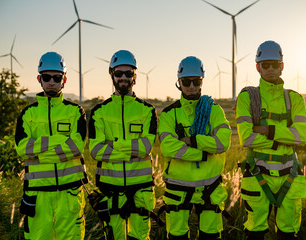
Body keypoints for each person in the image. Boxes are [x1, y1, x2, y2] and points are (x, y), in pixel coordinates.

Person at [235, 40, 306, 240]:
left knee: (288, 234)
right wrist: (283, 138)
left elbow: (302, 137)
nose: (270, 69)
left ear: (282, 66)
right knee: (255, 233)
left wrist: (268, 130)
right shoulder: (247, 98)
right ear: (258, 67)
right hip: (258, 176)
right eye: (265, 65)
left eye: (275, 64)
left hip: (290, 177)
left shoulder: (295, 99)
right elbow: (247, 138)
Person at [15, 52, 88, 239]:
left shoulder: (75, 112)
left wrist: (39, 153)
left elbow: (76, 147)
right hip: (38, 197)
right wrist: (60, 141)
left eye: (57, 77)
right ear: (39, 79)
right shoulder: (27, 114)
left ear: (64, 80)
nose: (52, 82)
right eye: (46, 77)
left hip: (70, 194)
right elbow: (22, 148)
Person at [158, 56, 232, 239]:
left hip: (209, 189)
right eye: (186, 81)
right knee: (177, 236)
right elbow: (168, 148)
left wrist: (193, 140)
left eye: (196, 81)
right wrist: (204, 153)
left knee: (211, 236)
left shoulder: (215, 110)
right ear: (179, 82)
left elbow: (223, 143)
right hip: (177, 189)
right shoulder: (169, 114)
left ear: (202, 81)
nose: (191, 86)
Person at [88, 50, 157, 240]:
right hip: (110, 190)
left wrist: (112, 145)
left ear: (135, 76)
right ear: (112, 75)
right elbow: (95, 150)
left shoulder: (147, 111)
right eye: (119, 73)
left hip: (141, 190)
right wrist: (132, 149)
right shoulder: (98, 112)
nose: (123, 78)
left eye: (129, 73)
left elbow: (145, 148)